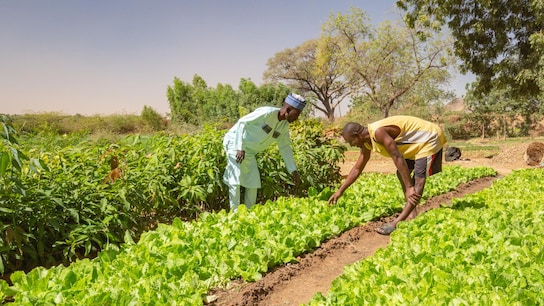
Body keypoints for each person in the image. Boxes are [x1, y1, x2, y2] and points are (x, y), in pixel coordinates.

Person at [328, 115, 447, 235]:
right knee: (401, 174)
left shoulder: (378, 132)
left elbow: (397, 157)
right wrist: (340, 191)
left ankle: (395, 223)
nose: (351, 145)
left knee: (418, 181)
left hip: (429, 138)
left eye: (351, 141)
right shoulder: (366, 143)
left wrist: (409, 187)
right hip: (415, 145)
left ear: (356, 135)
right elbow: (357, 169)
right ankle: (412, 214)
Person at [223, 93, 306, 212]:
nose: (297, 118)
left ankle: (248, 212)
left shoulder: (283, 126)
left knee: (253, 181)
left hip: (249, 151)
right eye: (297, 114)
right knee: (235, 179)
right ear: (288, 109)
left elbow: (285, 148)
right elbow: (242, 122)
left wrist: (293, 170)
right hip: (234, 142)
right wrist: (239, 147)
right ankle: (234, 214)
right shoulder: (267, 113)